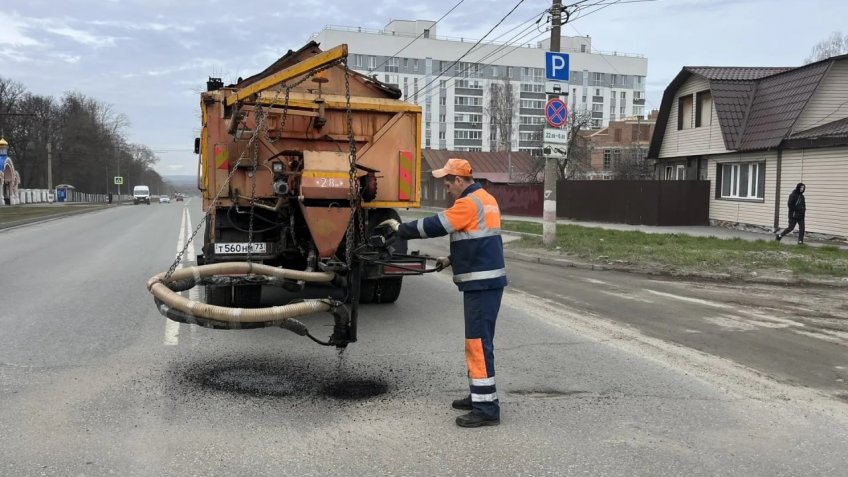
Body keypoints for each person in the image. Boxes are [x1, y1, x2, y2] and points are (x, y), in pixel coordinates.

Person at [380, 158, 507, 428]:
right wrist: (452, 258)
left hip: (480, 284)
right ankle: (479, 396)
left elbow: (436, 225)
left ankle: (486, 410)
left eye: (448, 182)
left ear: (460, 180)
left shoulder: (467, 203)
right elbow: (477, 239)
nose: (447, 187)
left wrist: (400, 229)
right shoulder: (485, 198)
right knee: (480, 343)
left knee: (477, 344)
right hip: (486, 282)